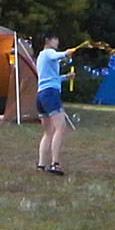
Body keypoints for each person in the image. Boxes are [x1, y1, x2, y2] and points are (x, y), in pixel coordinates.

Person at [35, 33, 81, 175]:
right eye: (55, 39)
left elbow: (51, 78)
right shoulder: (48, 53)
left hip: (41, 95)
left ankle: (42, 164)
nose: (57, 41)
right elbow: (56, 56)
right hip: (50, 94)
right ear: (48, 41)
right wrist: (66, 53)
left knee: (48, 132)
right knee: (60, 127)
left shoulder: (40, 57)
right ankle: (55, 164)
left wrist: (65, 77)